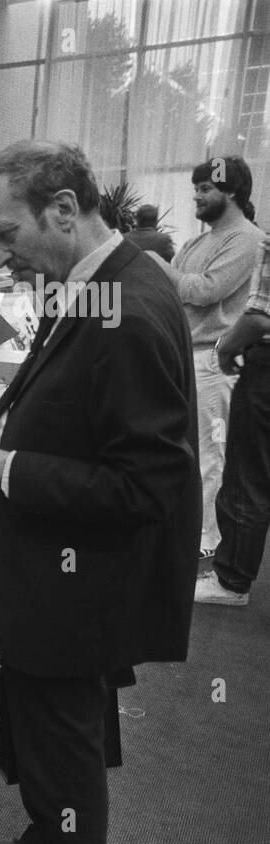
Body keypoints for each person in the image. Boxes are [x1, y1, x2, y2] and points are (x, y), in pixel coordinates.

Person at [0, 141, 200, 844]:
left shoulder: (129, 310)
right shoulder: (102, 282)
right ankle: (47, 840)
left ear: (63, 209)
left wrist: (9, 468)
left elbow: (145, 487)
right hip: (57, 585)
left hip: (74, 595)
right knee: (51, 742)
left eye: (6, 234)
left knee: (65, 747)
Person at [150, 157, 262, 560]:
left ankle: (204, 542)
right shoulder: (200, 241)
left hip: (214, 361)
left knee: (210, 455)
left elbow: (204, 289)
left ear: (230, 192)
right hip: (183, 357)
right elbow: (176, 288)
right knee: (181, 451)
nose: (196, 196)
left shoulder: (247, 239)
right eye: (195, 187)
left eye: (204, 188)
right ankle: (186, 531)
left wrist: (162, 269)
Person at [196, 237, 270, 606]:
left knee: (244, 474)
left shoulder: (252, 241)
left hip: (253, 363)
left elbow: (257, 315)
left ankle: (232, 580)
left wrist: (226, 347)